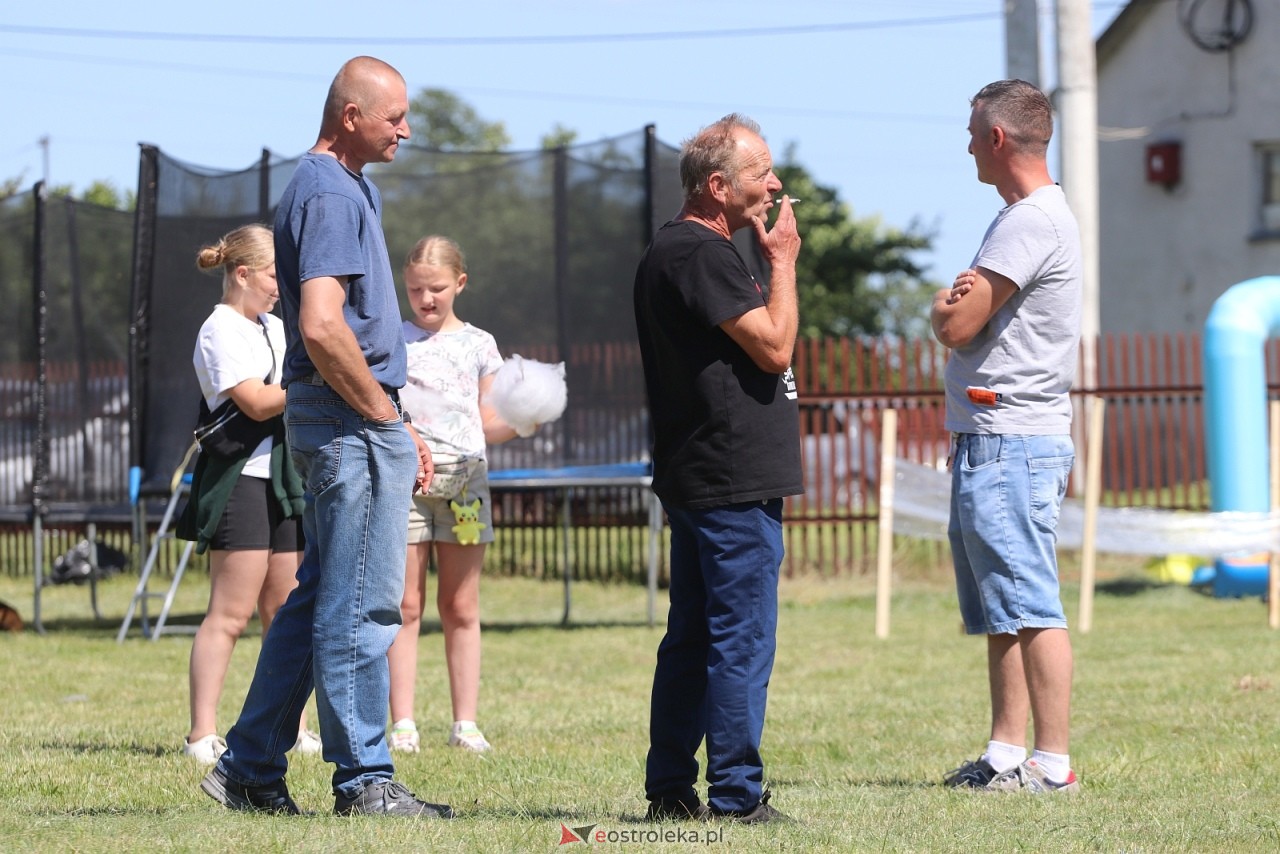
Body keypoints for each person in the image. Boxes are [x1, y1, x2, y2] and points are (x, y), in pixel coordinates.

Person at [200, 56, 454, 819]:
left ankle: (248, 768)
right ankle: (364, 781)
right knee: (364, 608)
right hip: (348, 419)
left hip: (346, 413)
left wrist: (395, 417)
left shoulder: (340, 187)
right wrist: (384, 417)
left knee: (318, 601)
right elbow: (320, 323)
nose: (406, 129)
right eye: (394, 116)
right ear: (351, 116)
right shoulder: (331, 192)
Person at [632, 114, 802, 824]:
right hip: (729, 481)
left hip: (705, 476)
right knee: (739, 637)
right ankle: (736, 796)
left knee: (696, 635)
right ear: (715, 185)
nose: (774, 184)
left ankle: (672, 791)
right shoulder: (701, 253)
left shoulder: (676, 251)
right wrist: (784, 263)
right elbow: (773, 348)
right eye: (760, 171)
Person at [932, 79, 1082, 794]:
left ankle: (1051, 765)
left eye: (971, 134)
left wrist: (942, 305)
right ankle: (1004, 753)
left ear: (997, 138)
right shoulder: (1027, 216)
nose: (966, 146)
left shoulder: (1029, 221)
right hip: (996, 439)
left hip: (1010, 440)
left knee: (1031, 603)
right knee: (1003, 603)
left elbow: (958, 324)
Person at [177, 224, 319, 764]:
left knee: (284, 612)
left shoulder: (277, 327)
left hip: (286, 479)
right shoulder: (219, 330)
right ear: (242, 274)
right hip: (238, 479)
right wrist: (310, 382)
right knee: (229, 614)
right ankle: (201, 736)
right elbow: (258, 403)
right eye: (272, 274)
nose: (281, 285)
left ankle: (291, 727)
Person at [386, 235, 519, 756]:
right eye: (416, 288)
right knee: (405, 603)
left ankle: (466, 723)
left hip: (466, 485)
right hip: (407, 484)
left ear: (460, 283)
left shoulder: (481, 344)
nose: (426, 299)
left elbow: (490, 421)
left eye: (437, 288)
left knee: (461, 605)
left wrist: (526, 417)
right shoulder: (392, 339)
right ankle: (403, 723)